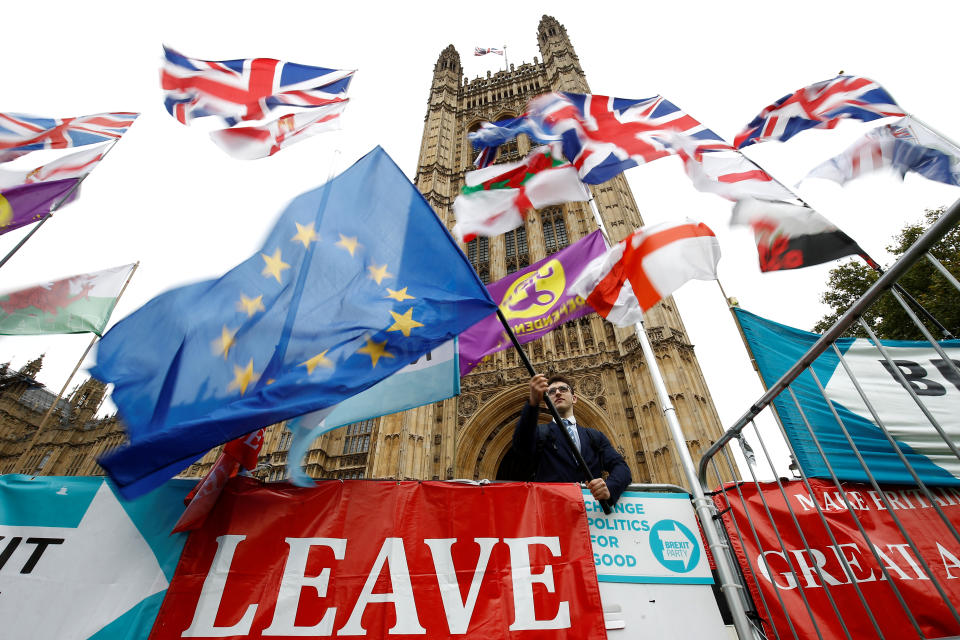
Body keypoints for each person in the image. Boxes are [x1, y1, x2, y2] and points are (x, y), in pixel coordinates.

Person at [512, 373, 632, 504]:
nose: (557, 393)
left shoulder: (593, 436)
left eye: (563, 389)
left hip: (592, 513)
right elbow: (521, 445)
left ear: (574, 398)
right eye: (551, 392)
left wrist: (609, 488)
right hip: (554, 511)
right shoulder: (541, 433)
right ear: (546, 404)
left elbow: (621, 467)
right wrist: (532, 403)